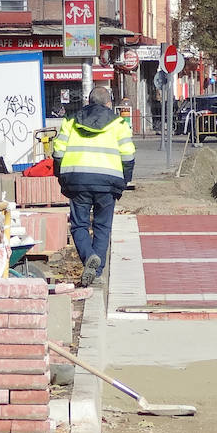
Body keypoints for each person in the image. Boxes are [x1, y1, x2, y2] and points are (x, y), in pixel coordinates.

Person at [53, 86, 135, 287]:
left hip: (78, 180)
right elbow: (128, 155)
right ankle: (96, 272)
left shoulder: (71, 121)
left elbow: (57, 153)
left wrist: (62, 178)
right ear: (109, 104)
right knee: (102, 226)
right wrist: (124, 181)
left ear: (88, 102)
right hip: (108, 182)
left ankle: (89, 256)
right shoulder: (118, 123)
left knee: (79, 225)